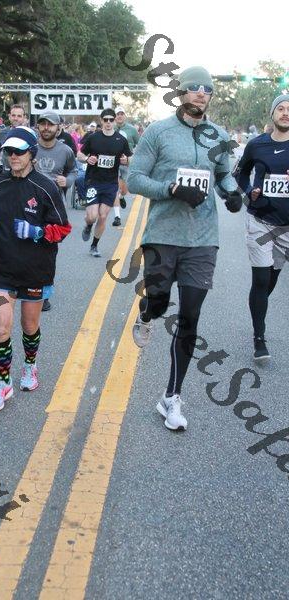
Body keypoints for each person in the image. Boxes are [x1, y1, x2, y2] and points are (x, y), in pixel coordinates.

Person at [127, 65, 242, 431]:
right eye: (194, 88)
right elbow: (134, 179)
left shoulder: (218, 136)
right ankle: (147, 313)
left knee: (190, 317)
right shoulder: (158, 132)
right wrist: (171, 190)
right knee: (159, 301)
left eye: (207, 89)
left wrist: (232, 193)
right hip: (163, 234)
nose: (201, 94)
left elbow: (222, 174)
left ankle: (171, 397)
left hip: (202, 239)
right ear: (181, 93)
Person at [0, 126, 71, 412]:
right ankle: (3, 383)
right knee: (0, 325)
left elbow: (63, 229)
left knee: (29, 326)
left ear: (32, 153)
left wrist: (37, 232)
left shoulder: (46, 187)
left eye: (19, 151)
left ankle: (30, 365)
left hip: (35, 269)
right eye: (8, 151)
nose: (13, 156)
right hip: (1, 268)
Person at [234, 94, 289, 360]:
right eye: (281, 108)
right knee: (261, 279)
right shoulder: (257, 145)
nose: (285, 113)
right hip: (259, 221)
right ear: (272, 114)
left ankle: (258, 305)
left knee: (272, 279)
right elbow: (240, 173)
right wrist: (248, 192)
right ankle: (259, 338)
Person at [35, 112, 77, 310]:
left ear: (58, 128)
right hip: (30, 203)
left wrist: (66, 181)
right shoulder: (30, 148)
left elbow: (74, 171)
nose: (46, 128)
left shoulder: (65, 150)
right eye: (42, 124)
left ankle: (44, 292)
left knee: (48, 250)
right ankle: (25, 284)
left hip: (53, 206)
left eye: (50, 125)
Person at [78, 108, 131, 257]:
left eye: (111, 120)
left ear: (114, 121)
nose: (108, 122)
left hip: (110, 184)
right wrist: (87, 159)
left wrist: (126, 160)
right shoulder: (93, 138)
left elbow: (130, 158)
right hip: (93, 181)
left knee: (102, 216)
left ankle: (94, 246)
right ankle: (88, 225)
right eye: (105, 120)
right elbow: (79, 154)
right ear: (101, 121)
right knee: (92, 216)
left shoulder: (121, 140)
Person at [113, 105, 140, 226]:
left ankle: (121, 196)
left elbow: (139, 145)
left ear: (125, 116)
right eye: (117, 114)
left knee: (124, 190)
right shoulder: (111, 128)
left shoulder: (132, 130)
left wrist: (131, 159)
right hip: (113, 163)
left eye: (121, 114)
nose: (119, 116)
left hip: (126, 162)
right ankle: (117, 217)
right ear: (115, 116)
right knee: (115, 188)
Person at [0, 104, 26, 174]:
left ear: (24, 117)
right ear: (9, 116)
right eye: (13, 115)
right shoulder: (3, 132)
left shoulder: (30, 133)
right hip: (7, 172)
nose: (16, 118)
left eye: (19, 116)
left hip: (24, 173)